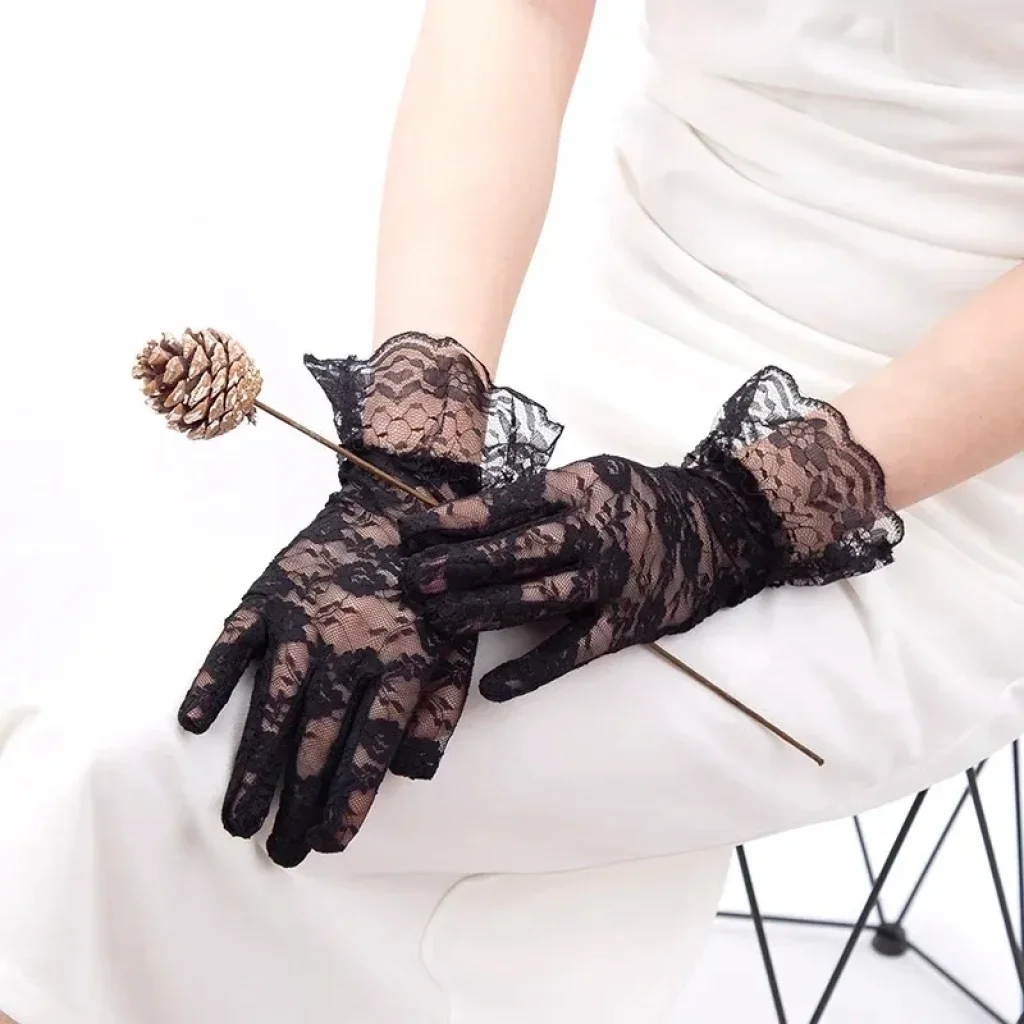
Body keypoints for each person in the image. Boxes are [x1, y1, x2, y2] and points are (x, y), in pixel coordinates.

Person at [2, 1, 1023, 1022]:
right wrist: (415, 440)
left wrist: (735, 516)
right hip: (590, 347)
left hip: (933, 471)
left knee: (134, 767)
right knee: (126, 745)